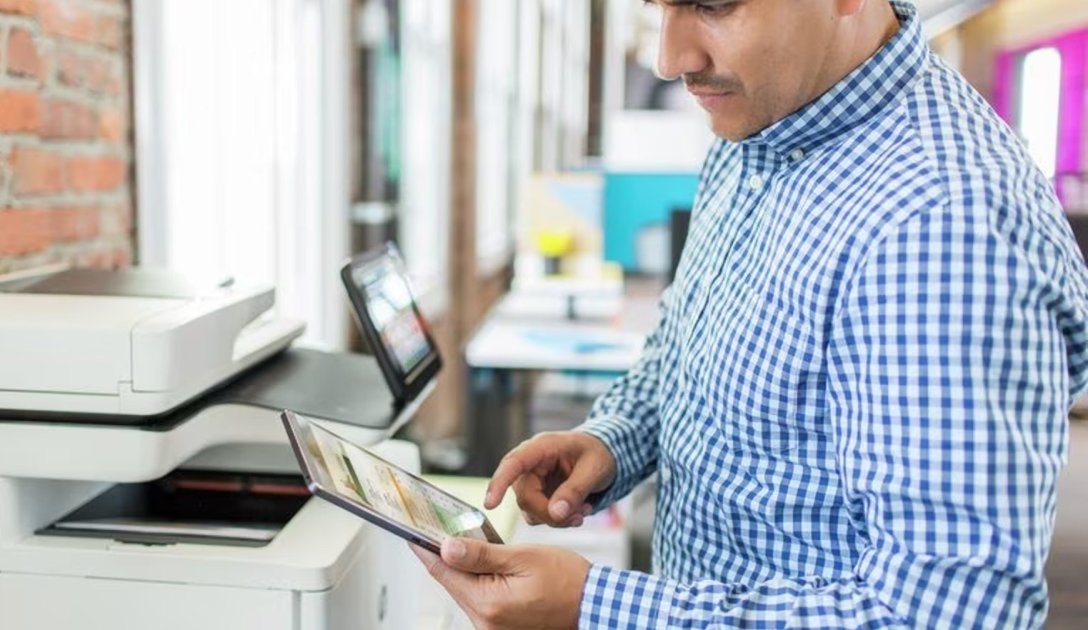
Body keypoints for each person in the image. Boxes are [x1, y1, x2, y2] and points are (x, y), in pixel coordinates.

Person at [413, 0, 1088, 627]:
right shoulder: (758, 124)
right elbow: (686, 342)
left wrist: (598, 608)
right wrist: (614, 440)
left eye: (712, 4)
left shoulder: (941, 223)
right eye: (659, 6)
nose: (671, 59)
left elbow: (947, 612)